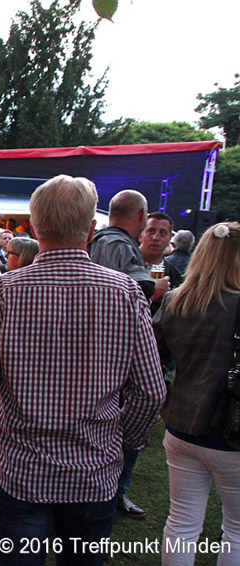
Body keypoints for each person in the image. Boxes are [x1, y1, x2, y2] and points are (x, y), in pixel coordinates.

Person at [0, 175, 165, 564]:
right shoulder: (126, 293)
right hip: (93, 475)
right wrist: (121, 440)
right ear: (91, 229)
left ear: (33, 228)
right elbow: (150, 390)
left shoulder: (2, 292)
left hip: (20, 475)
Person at [153, 221, 240, 565]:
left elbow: (151, 360)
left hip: (182, 425)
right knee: (235, 527)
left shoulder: (177, 300)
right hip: (229, 431)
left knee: (182, 521)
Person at [88, 189, 168, 518]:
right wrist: (153, 289)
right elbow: (108, 298)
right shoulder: (115, 244)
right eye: (150, 223)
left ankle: (114, 489)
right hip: (108, 354)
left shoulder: (116, 244)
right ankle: (109, 489)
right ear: (140, 215)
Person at [139, 213, 183, 310]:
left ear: (170, 239)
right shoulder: (126, 264)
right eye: (151, 231)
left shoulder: (175, 275)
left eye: (162, 233)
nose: (156, 238)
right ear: (141, 235)